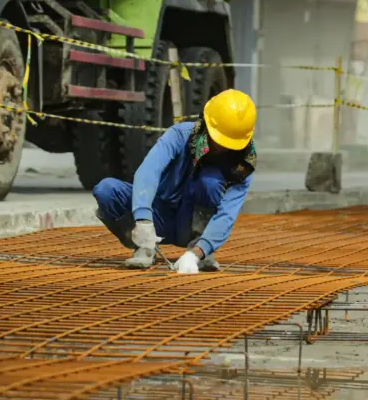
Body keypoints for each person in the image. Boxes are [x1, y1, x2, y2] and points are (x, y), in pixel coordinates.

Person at [92, 89, 257, 273]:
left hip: (188, 225)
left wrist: (196, 253)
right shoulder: (179, 135)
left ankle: (201, 249)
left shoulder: (243, 166)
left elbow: (227, 214)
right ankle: (145, 246)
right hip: (158, 216)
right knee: (106, 190)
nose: (221, 147)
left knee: (210, 182)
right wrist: (144, 220)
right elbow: (148, 173)